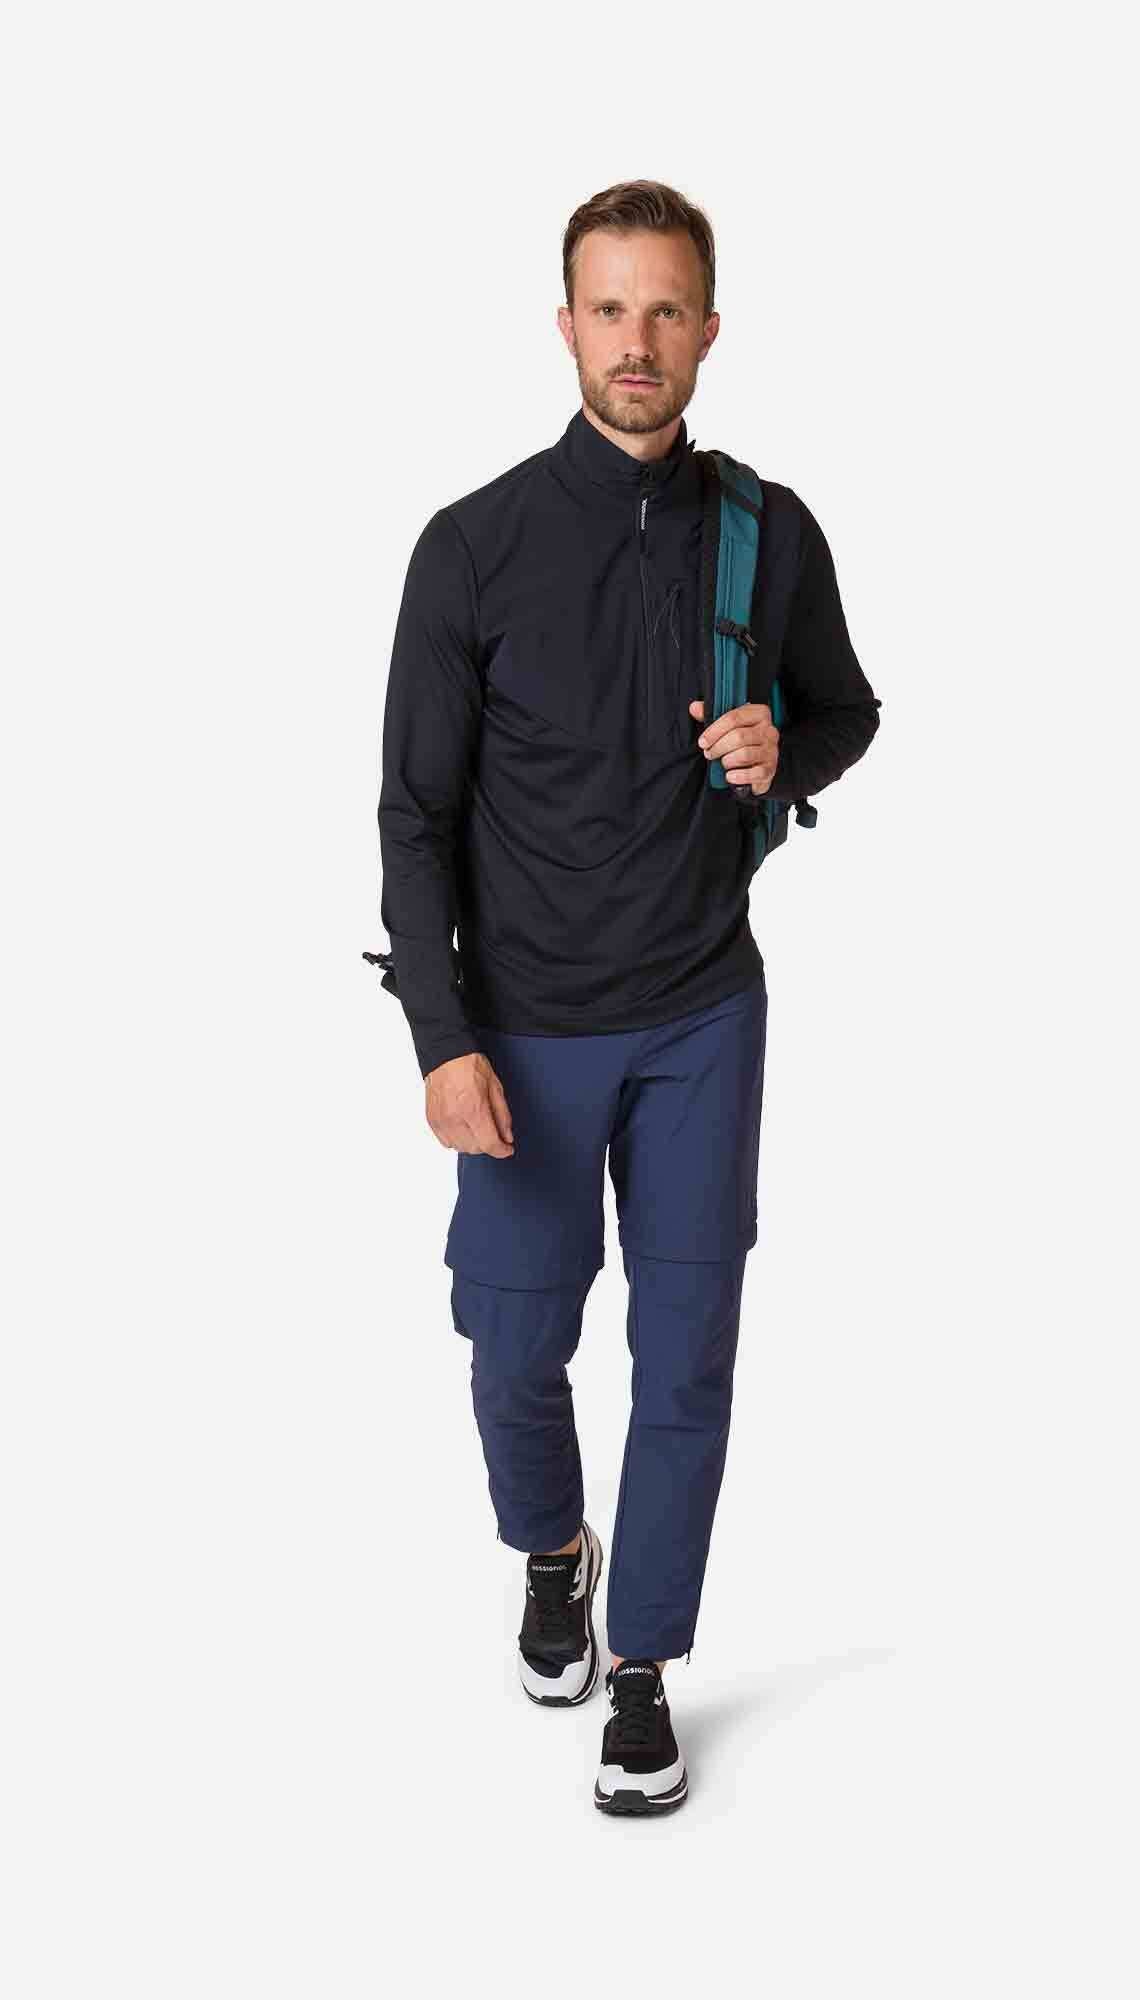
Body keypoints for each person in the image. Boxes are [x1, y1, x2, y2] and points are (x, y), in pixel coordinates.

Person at [373, 179, 881, 1815]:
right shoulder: (472, 546)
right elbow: (412, 818)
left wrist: (782, 750)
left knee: (688, 1355)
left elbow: (846, 710)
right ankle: (553, 1553)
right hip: (522, 1027)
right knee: (513, 1343)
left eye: (667, 310)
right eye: (611, 309)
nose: (638, 341)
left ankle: (647, 1668)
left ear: (709, 331)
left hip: (700, 1014)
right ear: (567, 325)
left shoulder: (767, 530)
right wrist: (442, 1040)